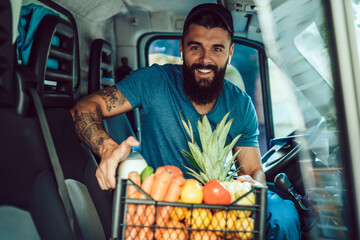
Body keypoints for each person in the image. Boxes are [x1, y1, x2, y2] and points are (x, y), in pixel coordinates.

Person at [70, 3, 301, 239]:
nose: (205, 59)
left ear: (230, 52)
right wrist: (106, 148)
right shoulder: (154, 81)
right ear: (181, 47)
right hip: (164, 206)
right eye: (195, 47)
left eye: (217, 49)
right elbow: (85, 107)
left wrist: (254, 185)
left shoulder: (240, 104)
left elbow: (252, 169)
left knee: (283, 214)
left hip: (219, 206)